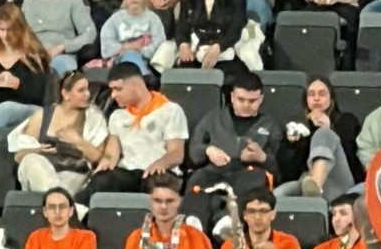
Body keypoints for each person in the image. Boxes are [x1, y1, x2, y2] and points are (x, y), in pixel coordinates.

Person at [84, 62, 189, 197]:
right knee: (101, 181)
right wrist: (105, 163)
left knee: (155, 182)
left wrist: (160, 163)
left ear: (135, 85)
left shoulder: (170, 110)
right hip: (129, 173)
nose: (113, 95)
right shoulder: (117, 116)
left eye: (118, 89)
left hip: (160, 172)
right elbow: (111, 154)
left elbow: (176, 153)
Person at [187, 71, 281, 214]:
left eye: (252, 101)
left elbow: (281, 168)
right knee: (197, 180)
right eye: (241, 99)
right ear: (232, 96)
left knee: (254, 183)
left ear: (261, 99)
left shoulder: (270, 125)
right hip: (214, 171)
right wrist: (208, 150)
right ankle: (194, 221)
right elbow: (194, 151)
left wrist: (262, 158)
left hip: (250, 174)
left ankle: (227, 219)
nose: (246, 105)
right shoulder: (214, 118)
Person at [10, 71, 107, 197]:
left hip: (75, 177)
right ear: (65, 94)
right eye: (81, 90)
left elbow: (98, 158)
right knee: (31, 161)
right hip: (43, 174)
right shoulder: (41, 116)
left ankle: (56, 200)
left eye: (87, 89)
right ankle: (59, 200)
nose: (87, 94)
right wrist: (37, 149)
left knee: (60, 187)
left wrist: (78, 141)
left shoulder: (93, 117)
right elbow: (18, 156)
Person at [276, 76, 362, 201]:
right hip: (304, 183)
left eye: (322, 94)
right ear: (306, 100)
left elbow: (352, 160)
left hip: (339, 184)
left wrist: (330, 129)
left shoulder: (347, 121)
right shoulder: (297, 125)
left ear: (331, 98)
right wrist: (292, 145)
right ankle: (312, 186)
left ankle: (316, 182)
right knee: (278, 194)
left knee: (324, 133)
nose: (316, 98)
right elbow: (287, 173)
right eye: (311, 94)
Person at [0, 3, 50, 130]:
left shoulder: (33, 56)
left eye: (10, 30)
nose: (5, 35)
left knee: (8, 108)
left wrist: (16, 84)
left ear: (19, 30)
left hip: (30, 114)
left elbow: (40, 95)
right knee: (2, 110)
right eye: (1, 30)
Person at [21, 0, 95, 75]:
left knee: (61, 68)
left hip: (61, 55)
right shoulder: (30, 1)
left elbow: (89, 33)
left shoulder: (73, 1)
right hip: (32, 53)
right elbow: (19, 31)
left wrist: (64, 46)